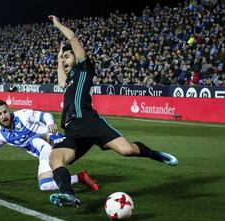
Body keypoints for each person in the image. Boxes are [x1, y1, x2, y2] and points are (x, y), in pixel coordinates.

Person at [47, 15, 179, 207]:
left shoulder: (84, 69)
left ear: (77, 57)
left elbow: (73, 39)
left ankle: (155, 154)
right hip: (73, 130)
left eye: (68, 56)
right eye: (64, 58)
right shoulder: (69, 80)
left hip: (90, 123)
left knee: (128, 150)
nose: (65, 60)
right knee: (55, 159)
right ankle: (68, 195)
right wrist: (60, 58)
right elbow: (60, 82)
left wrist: (58, 25)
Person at [0, 99, 99, 191]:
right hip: (46, 153)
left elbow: (45, 115)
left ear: (8, 110)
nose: (4, 116)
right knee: (46, 186)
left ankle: (96, 134)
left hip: (54, 144)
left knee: (38, 143)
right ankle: (80, 177)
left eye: (5, 112)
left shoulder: (23, 115)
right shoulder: (0, 135)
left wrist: (50, 123)